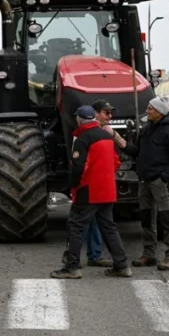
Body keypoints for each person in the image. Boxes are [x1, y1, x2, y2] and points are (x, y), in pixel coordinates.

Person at [51, 106, 131, 279]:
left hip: (88, 191)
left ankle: (72, 267)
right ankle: (122, 265)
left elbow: (78, 167)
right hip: (107, 190)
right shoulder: (107, 136)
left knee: (76, 227)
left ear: (79, 120)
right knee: (109, 228)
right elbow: (116, 162)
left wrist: (73, 186)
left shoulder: (82, 139)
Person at [117, 96, 169, 271]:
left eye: (150, 109)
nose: (147, 111)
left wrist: (164, 177)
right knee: (147, 218)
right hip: (144, 180)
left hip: (159, 182)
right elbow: (137, 151)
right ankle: (149, 253)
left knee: (166, 219)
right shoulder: (146, 130)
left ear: (160, 112)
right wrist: (120, 142)